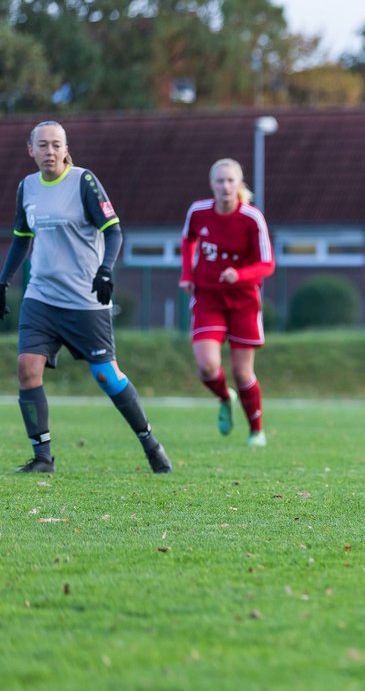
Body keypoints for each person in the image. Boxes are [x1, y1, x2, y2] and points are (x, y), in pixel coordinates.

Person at [0, 121, 171, 474]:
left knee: (107, 377)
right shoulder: (26, 188)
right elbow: (20, 238)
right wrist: (3, 282)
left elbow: (115, 232)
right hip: (42, 297)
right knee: (27, 368)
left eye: (56, 145)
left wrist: (105, 270)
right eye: (43, 145)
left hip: (85, 299)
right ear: (29, 149)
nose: (50, 151)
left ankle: (150, 443)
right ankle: (43, 458)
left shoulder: (84, 182)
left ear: (65, 149)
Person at [179, 159, 275, 447]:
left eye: (231, 181)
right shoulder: (198, 212)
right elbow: (187, 241)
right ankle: (225, 397)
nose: (225, 186)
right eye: (220, 181)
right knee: (207, 367)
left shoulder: (251, 218)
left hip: (243, 300)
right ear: (212, 184)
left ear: (239, 184)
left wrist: (240, 274)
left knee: (242, 372)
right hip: (208, 297)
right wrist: (187, 275)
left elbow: (268, 264)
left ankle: (256, 430)